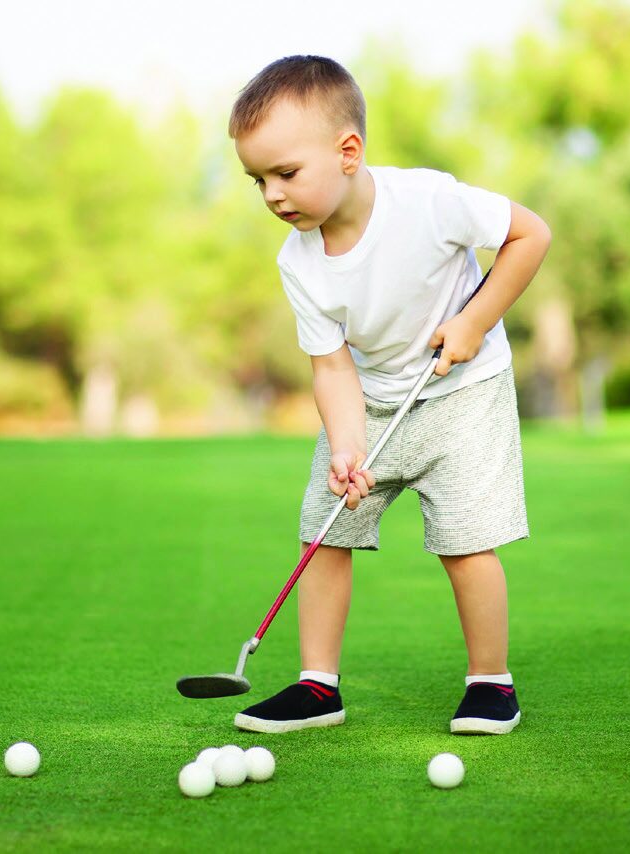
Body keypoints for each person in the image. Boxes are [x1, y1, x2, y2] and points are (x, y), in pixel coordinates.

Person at [226, 55, 551, 735]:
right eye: (258, 180)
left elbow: (530, 235)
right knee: (324, 531)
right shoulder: (298, 261)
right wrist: (346, 444)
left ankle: (491, 682)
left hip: (464, 391)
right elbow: (332, 367)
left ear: (348, 152)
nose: (272, 196)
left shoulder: (430, 202)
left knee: (465, 540)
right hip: (370, 399)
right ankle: (318, 686)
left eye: (286, 173)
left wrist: (474, 320)